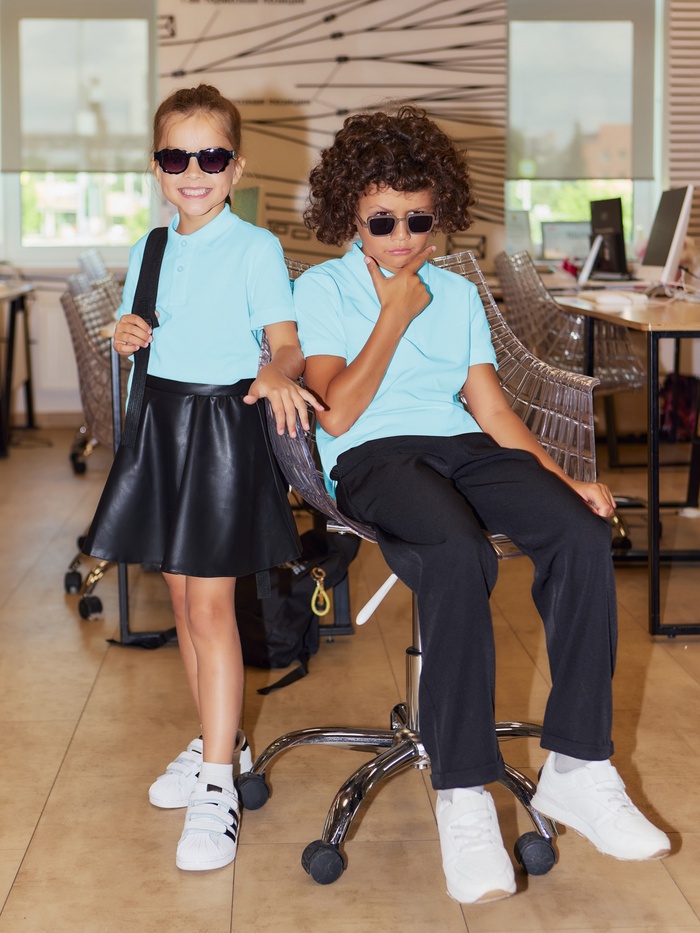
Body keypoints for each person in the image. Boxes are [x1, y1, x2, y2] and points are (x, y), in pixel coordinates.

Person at [293, 106, 670, 905]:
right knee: (457, 553)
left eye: (419, 218)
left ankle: (579, 765)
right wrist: (394, 314)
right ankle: (462, 792)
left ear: (440, 212)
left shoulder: (458, 293)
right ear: (351, 213)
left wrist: (565, 479)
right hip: (371, 458)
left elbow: (492, 411)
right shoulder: (320, 288)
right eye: (383, 220)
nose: (403, 236)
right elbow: (338, 412)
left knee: (579, 530)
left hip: (462, 447)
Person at [82, 84, 320, 873]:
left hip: (222, 429)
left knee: (213, 606)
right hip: (163, 426)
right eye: (177, 157)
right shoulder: (151, 247)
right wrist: (128, 333)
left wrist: (277, 371)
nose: (194, 171)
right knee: (184, 602)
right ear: (157, 167)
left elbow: (286, 342)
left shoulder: (256, 248)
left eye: (211, 157)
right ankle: (221, 741)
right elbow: (140, 332)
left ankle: (218, 781)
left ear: (236, 167)